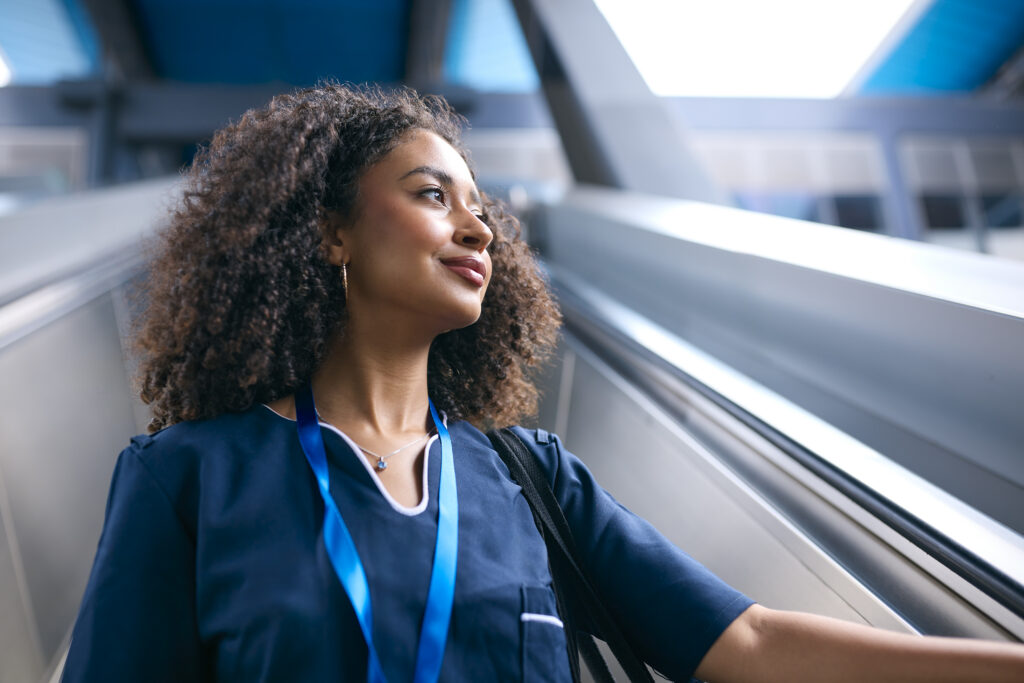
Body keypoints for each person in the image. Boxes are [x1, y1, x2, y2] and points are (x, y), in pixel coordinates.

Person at [63, 83, 1024, 682]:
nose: (479, 229)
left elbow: (752, 645)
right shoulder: (189, 477)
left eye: (481, 208)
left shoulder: (529, 480)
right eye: (433, 195)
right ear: (331, 234)